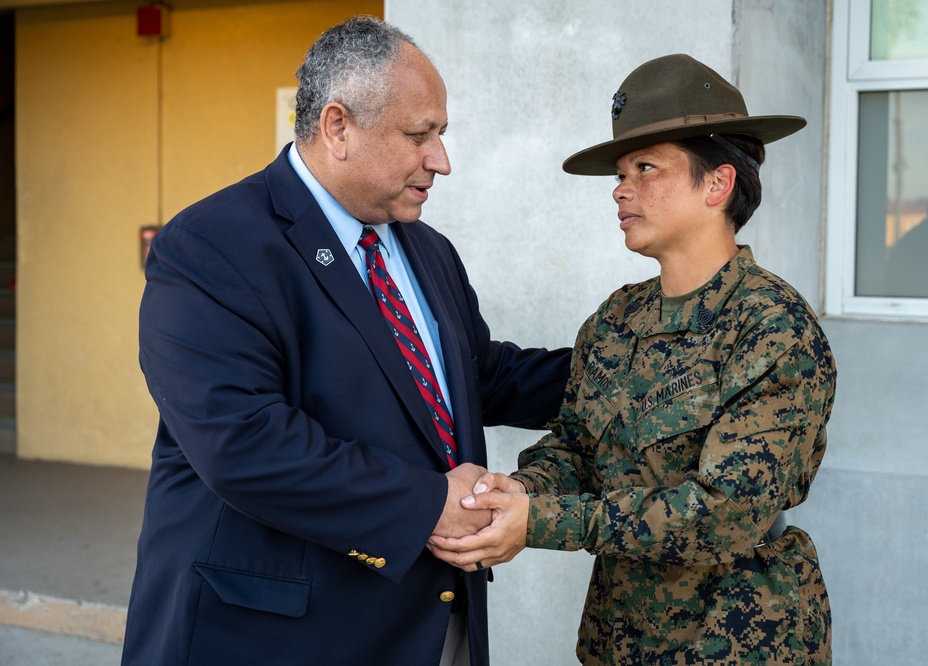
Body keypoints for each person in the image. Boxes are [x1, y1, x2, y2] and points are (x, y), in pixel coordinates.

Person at [121, 16, 570, 666]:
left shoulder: (428, 249)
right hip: (272, 640)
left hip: (426, 630)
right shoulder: (210, 246)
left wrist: (628, 364)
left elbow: (479, 378)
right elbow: (241, 442)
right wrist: (428, 504)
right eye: (420, 135)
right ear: (337, 127)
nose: (441, 160)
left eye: (441, 134)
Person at [428, 54, 837, 665]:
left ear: (718, 184)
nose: (622, 189)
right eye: (621, 172)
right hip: (621, 638)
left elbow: (727, 513)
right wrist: (510, 495)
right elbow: (575, 447)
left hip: (739, 635)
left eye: (647, 168)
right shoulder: (618, 319)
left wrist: (539, 520)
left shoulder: (773, 326)